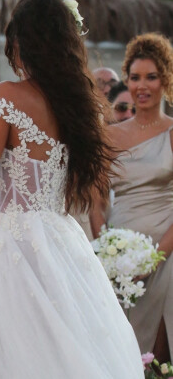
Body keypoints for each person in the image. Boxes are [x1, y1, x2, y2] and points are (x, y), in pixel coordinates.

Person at [0, 0, 143, 378]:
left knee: (27, 353)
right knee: (69, 344)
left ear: (22, 42)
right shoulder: (77, 104)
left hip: (15, 246)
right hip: (62, 239)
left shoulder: (5, 96)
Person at [91, 33, 173, 363]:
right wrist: (108, 250)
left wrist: (154, 260)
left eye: (151, 77)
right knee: (123, 352)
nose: (142, 86)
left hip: (167, 253)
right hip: (120, 258)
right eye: (135, 77)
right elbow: (95, 200)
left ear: (165, 78)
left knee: (160, 354)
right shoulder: (108, 135)